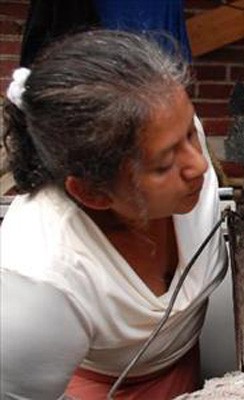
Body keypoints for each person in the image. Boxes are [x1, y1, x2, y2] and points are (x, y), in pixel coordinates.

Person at [0, 29, 228, 399]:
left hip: (182, 366)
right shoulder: (42, 275)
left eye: (190, 132)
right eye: (165, 163)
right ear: (92, 192)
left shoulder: (167, 131)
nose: (199, 164)